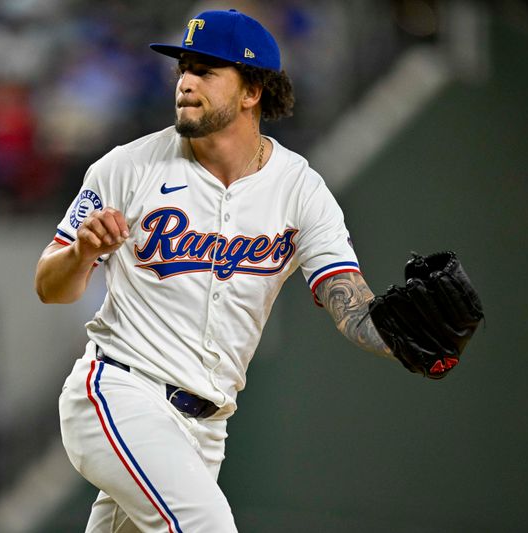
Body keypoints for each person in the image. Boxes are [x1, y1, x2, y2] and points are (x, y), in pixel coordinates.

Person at [35, 9, 393, 532]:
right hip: (120, 393)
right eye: (183, 68)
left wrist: (398, 337)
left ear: (252, 91)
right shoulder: (127, 167)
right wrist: (80, 253)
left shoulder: (300, 188)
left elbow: (349, 300)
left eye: (205, 71)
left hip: (206, 429)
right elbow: (50, 287)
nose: (184, 82)